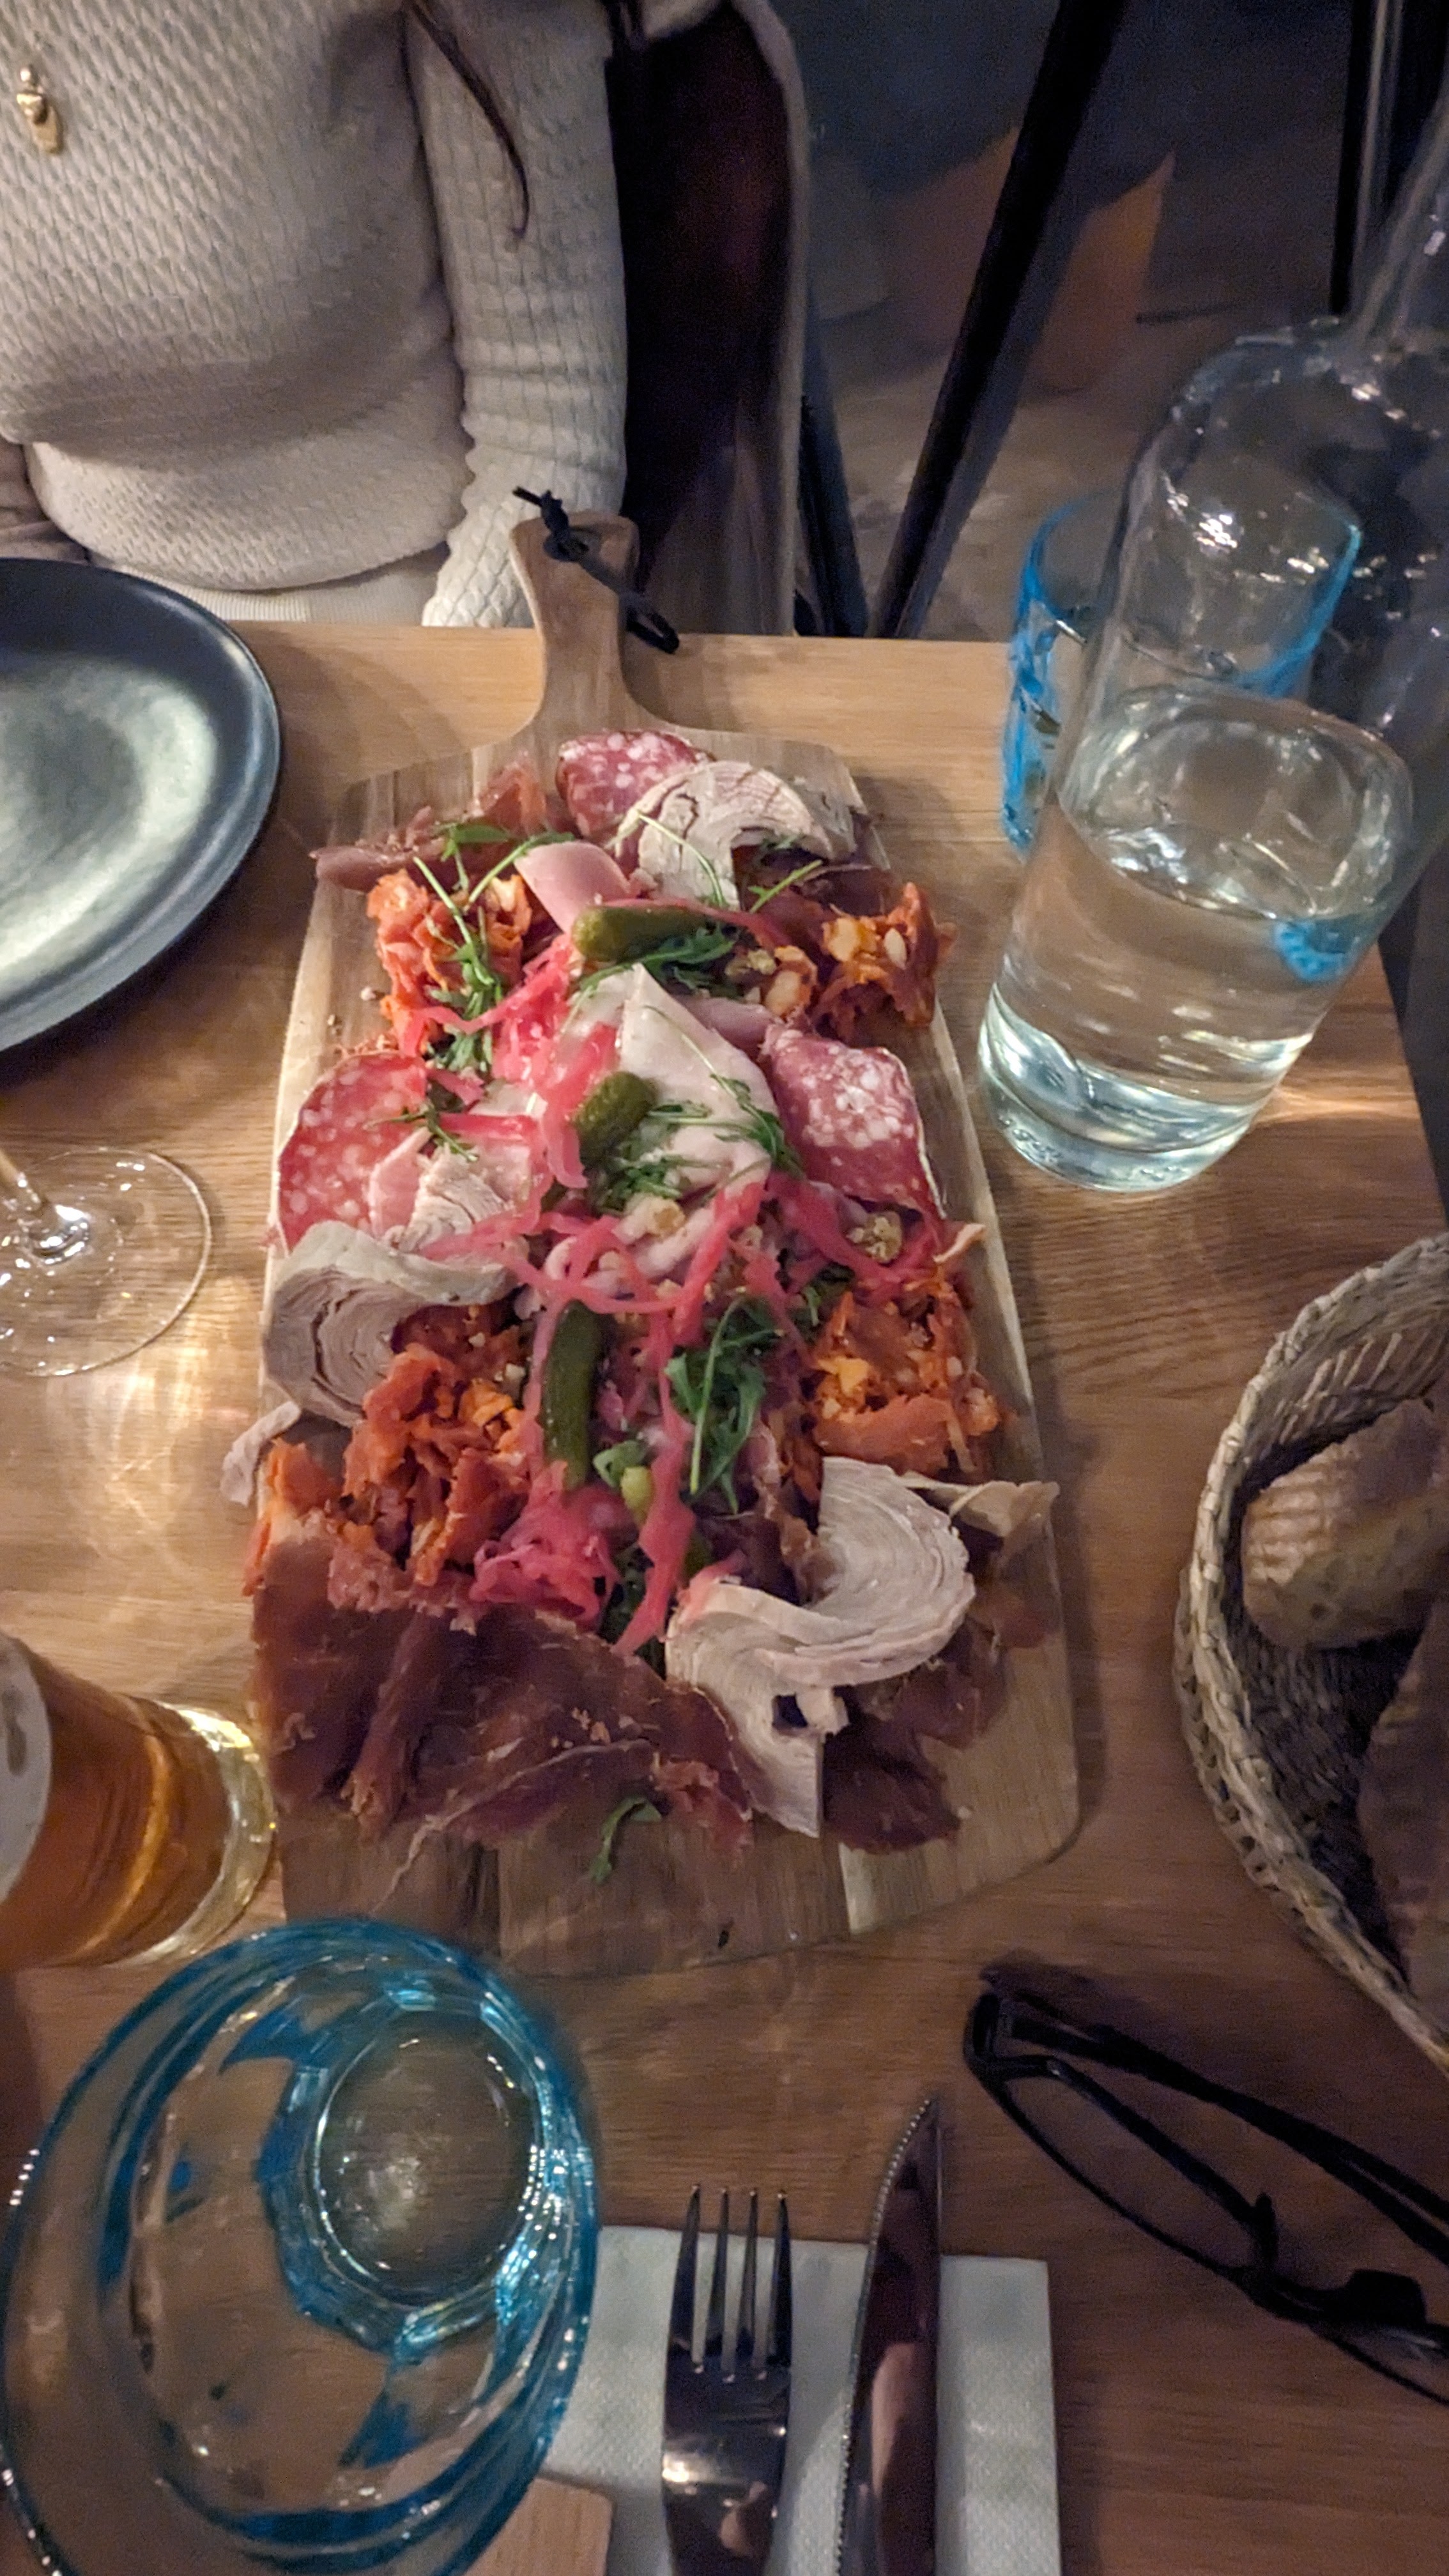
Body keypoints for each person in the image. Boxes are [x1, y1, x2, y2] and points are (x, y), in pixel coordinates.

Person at [0, 0, 808, 630]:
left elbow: (551, 421)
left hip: (447, 600)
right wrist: (73, 688)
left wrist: (451, 713)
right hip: (109, 636)